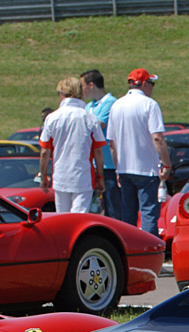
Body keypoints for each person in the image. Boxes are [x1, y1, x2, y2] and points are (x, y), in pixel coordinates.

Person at [107, 68, 171, 234]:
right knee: (149, 214)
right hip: (146, 169)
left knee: (128, 216)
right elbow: (157, 137)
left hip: (124, 168)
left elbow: (112, 144)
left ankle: (129, 252)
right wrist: (167, 163)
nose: (152, 87)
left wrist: (117, 169)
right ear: (143, 84)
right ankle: (149, 254)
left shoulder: (116, 105)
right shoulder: (149, 104)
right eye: (151, 83)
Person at [38, 77, 106, 213]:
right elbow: (98, 151)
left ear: (62, 93)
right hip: (84, 177)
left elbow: (45, 151)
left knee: (62, 218)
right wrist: (100, 177)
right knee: (79, 219)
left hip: (60, 176)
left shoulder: (52, 118)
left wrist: (44, 176)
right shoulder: (90, 118)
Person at [80, 68, 120, 217]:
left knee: (113, 209)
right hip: (92, 165)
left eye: (82, 86)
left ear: (91, 85)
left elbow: (97, 126)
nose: (81, 90)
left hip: (108, 165)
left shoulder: (111, 103)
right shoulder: (88, 106)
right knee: (90, 210)